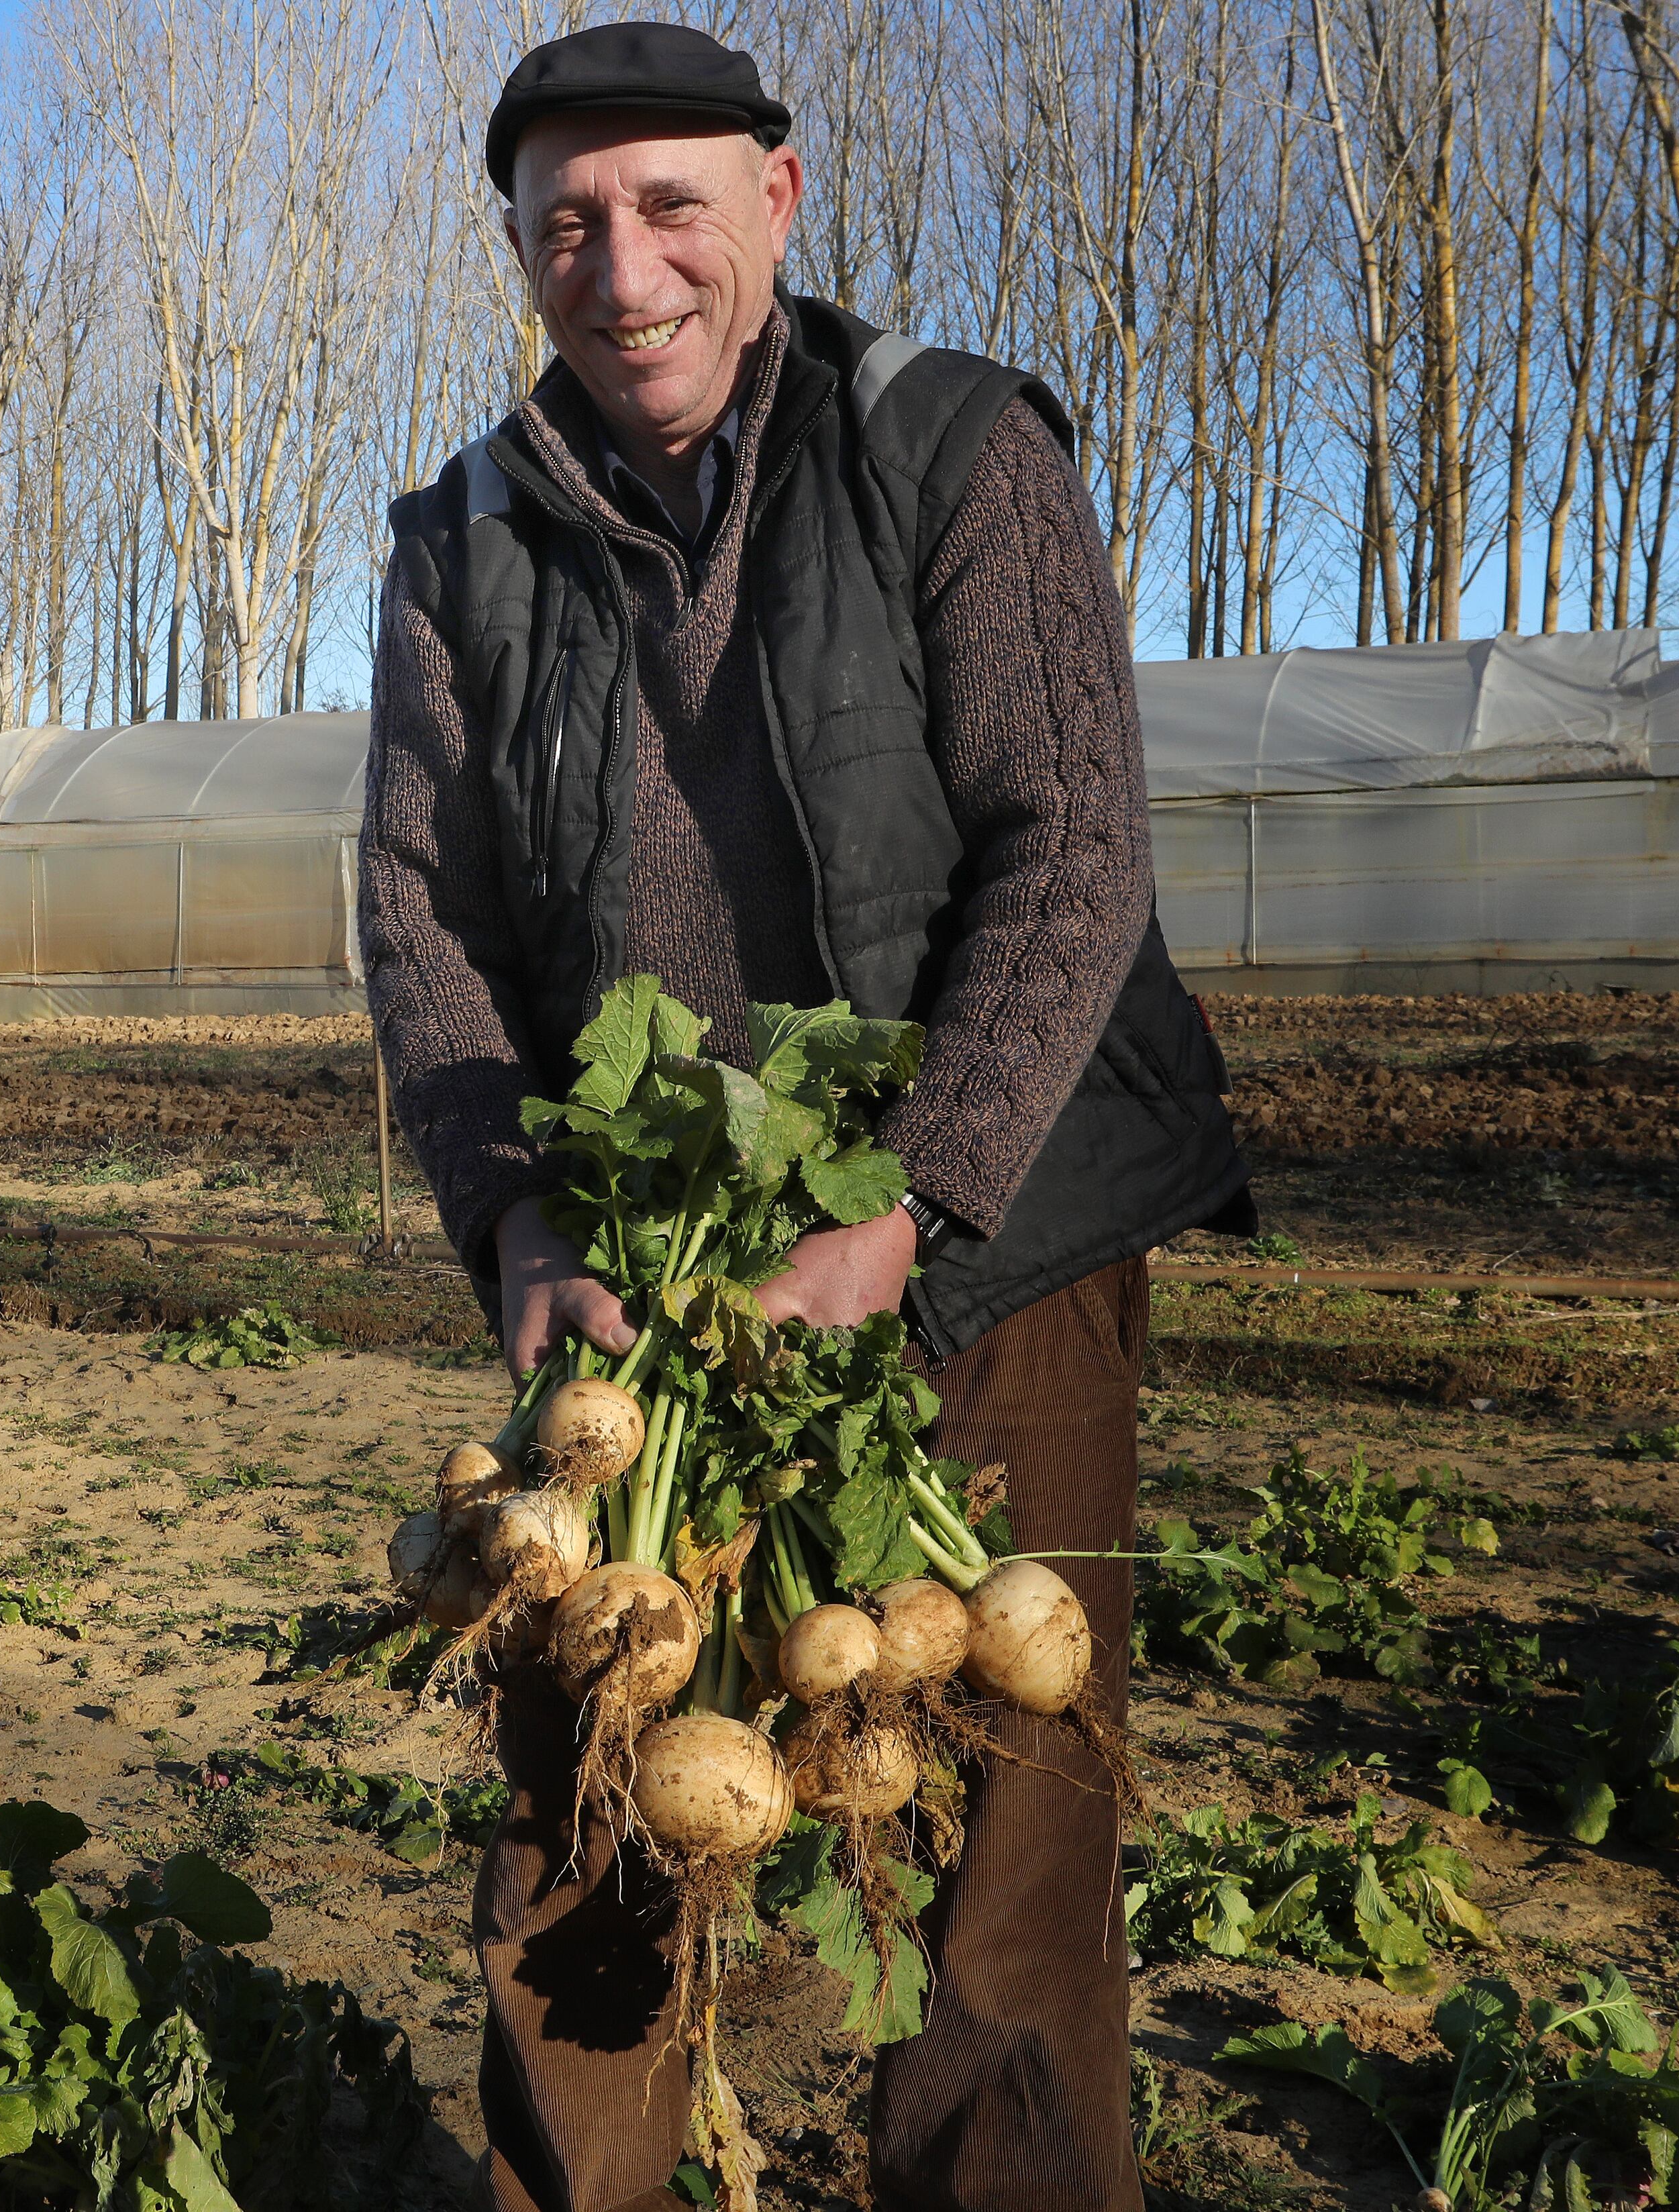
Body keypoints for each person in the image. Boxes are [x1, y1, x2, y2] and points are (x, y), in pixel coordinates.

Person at [358, 22, 1256, 2212]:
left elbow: (1074, 849)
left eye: (670, 204)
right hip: (650, 1263)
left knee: (1006, 1817)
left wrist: (917, 1202)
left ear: (778, 199)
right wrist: (522, 1234)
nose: (623, 264)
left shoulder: (945, 451)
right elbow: (421, 921)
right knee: (587, 1796)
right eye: (566, 221)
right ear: (520, 251)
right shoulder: (463, 541)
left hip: (998, 1227)